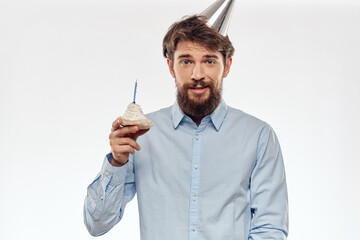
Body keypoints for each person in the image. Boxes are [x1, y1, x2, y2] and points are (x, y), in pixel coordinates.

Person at [84, 8, 289, 240]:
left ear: (227, 66)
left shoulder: (258, 136)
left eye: (209, 61)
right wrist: (117, 163)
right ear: (171, 67)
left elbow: (270, 230)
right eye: (186, 61)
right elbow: (97, 223)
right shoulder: (141, 136)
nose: (197, 74)